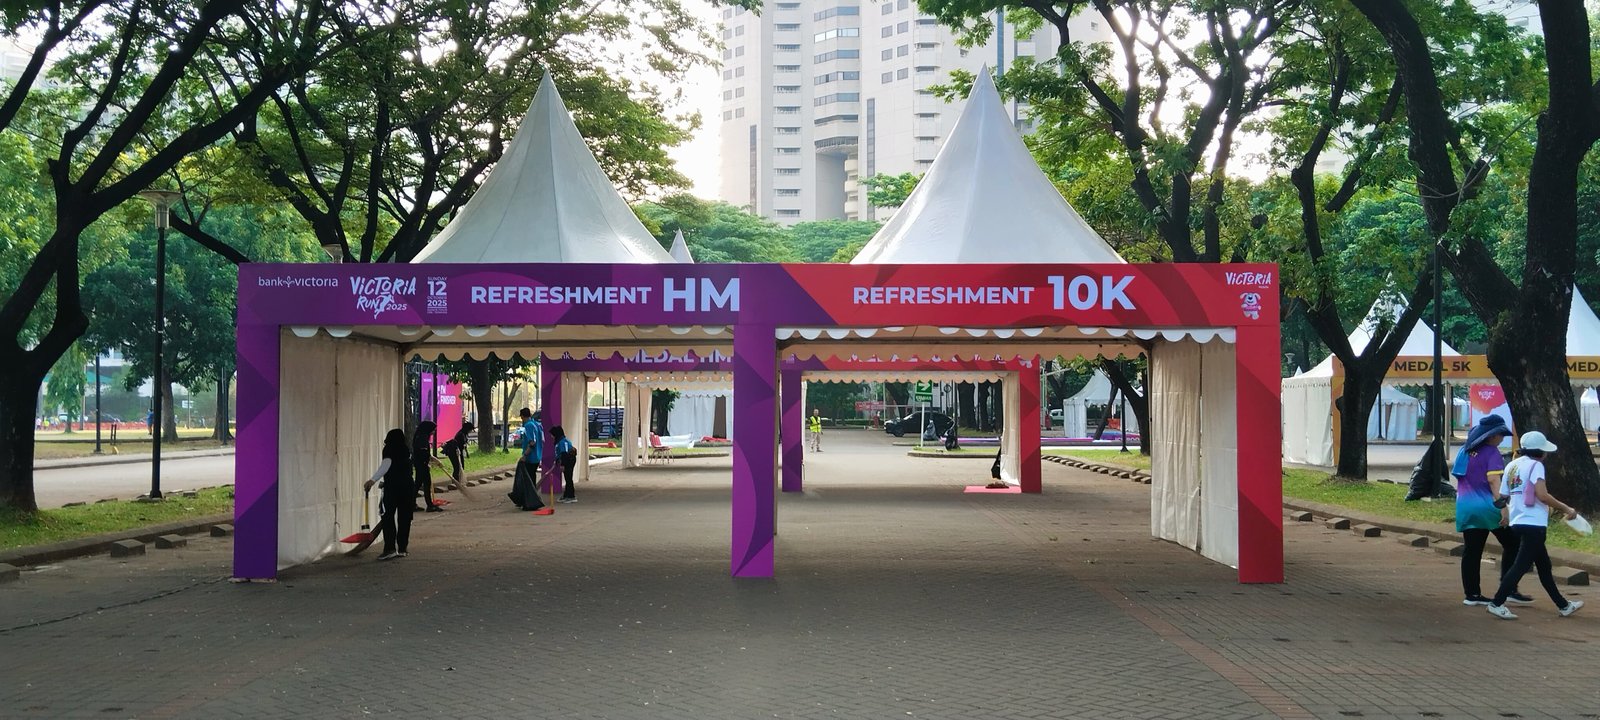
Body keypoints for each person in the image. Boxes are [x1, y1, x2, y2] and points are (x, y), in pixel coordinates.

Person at [1486, 431, 1585, 620]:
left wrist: (1506, 513)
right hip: (1534, 524)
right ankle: (1496, 602)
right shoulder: (1536, 466)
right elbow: (1542, 495)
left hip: (1517, 521)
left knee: (1544, 566)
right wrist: (1567, 509)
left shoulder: (1512, 465)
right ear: (1540, 451)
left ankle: (1563, 605)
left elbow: (1502, 496)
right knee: (1521, 566)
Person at [1451, 414, 1529, 606]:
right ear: (1491, 436)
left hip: (1465, 506)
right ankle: (1509, 587)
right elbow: (1494, 481)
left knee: (1472, 551)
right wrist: (1503, 508)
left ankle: (1472, 595)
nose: (1502, 438)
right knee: (1513, 544)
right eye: (1500, 435)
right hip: (1488, 508)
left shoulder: (1465, 451)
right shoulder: (1492, 453)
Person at [364, 428, 413, 561]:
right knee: (405, 518)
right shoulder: (405, 449)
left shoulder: (389, 449)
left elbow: (386, 465)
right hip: (408, 487)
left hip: (393, 488)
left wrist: (372, 480)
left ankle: (390, 548)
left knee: (388, 518)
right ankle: (403, 548)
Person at [508, 408, 545, 511]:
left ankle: (530, 501)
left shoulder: (528, 426)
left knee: (528, 481)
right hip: (537, 456)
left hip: (530, 458)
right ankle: (531, 500)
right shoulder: (537, 425)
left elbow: (532, 442)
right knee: (531, 479)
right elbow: (542, 440)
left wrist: (525, 455)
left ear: (522, 416)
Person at [412, 421, 446, 512]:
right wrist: (427, 463)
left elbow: (425, 453)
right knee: (427, 484)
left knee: (418, 484)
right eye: (433, 430)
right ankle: (430, 505)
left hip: (420, 463)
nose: (434, 432)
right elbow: (423, 453)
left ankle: (412, 504)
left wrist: (434, 460)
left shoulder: (420, 436)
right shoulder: (422, 438)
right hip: (421, 464)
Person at [441, 421, 474, 487]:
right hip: (453, 452)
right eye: (470, 430)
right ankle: (455, 482)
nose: (471, 431)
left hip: (458, 452)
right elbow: (460, 445)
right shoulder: (461, 434)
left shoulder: (463, 434)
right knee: (457, 467)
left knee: (460, 466)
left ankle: (458, 481)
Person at [552, 426, 579, 503]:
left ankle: (571, 496)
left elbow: (564, 454)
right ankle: (566, 495)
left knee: (568, 478)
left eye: (552, 435)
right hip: (567, 460)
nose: (551, 436)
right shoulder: (559, 442)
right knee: (567, 478)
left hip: (569, 461)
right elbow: (559, 454)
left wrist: (563, 465)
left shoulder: (563, 442)